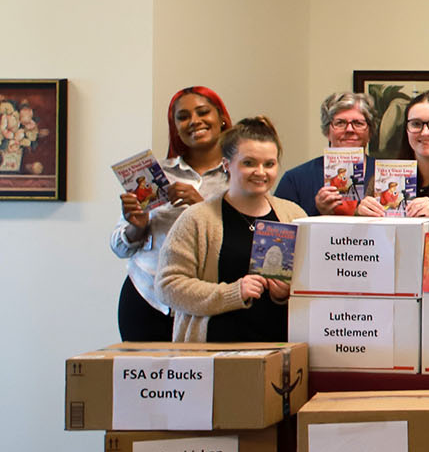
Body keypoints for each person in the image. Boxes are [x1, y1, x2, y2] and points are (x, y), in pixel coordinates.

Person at [157, 116, 305, 343]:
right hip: (213, 352)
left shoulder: (293, 215)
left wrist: (288, 293)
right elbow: (168, 286)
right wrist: (233, 293)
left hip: (280, 350)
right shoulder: (197, 218)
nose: (261, 172)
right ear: (227, 165)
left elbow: (314, 285)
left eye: (269, 164)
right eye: (249, 163)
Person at [111, 86, 233, 342]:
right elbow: (119, 248)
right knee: (145, 379)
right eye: (183, 116)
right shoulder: (153, 176)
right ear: (175, 126)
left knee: (204, 380)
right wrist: (137, 226)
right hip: (147, 298)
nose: (194, 121)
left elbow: (244, 241)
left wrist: (203, 208)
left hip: (209, 299)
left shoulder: (238, 177)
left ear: (221, 117)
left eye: (202, 112)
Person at [274, 92, 374, 215]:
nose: (349, 129)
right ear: (327, 131)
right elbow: (278, 230)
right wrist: (318, 212)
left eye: (358, 123)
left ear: (370, 132)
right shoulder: (295, 179)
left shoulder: (384, 175)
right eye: (340, 123)